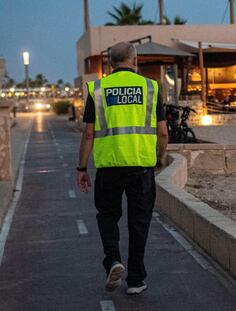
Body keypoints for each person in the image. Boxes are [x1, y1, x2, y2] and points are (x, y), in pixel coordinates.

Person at [77, 42, 168, 295]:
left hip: (109, 167)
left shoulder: (97, 89)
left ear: (110, 63)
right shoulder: (151, 87)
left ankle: (113, 260)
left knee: (107, 215)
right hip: (141, 165)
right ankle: (136, 280)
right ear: (134, 59)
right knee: (139, 222)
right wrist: (159, 158)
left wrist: (81, 168)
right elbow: (162, 131)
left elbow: (88, 134)